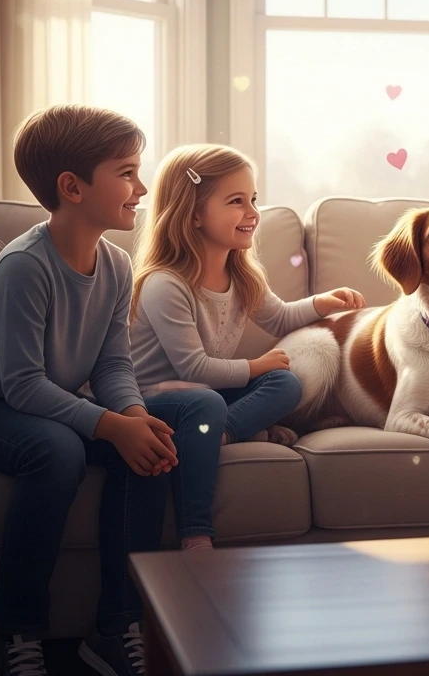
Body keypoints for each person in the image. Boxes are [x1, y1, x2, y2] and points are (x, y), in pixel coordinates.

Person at [0, 105, 194, 676]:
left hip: (44, 402)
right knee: (58, 450)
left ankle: (117, 626)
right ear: (72, 187)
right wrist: (107, 425)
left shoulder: (120, 265)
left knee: (149, 446)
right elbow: (21, 385)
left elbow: (113, 366)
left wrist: (131, 416)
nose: (141, 187)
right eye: (126, 173)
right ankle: (14, 635)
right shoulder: (25, 266)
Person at [129, 143, 363, 551]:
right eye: (236, 201)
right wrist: (254, 366)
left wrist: (321, 303)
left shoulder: (242, 274)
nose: (253, 212)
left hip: (207, 400)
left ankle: (219, 434)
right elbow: (193, 369)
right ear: (194, 213)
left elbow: (280, 318)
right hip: (158, 399)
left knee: (286, 383)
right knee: (238, 388)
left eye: (253, 198)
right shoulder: (165, 283)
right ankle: (196, 534)